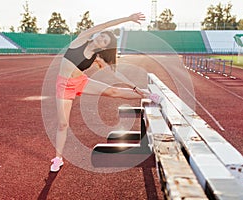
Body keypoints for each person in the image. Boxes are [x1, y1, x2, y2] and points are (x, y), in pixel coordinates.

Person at [51, 12, 161, 172]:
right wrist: (128, 18)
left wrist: (135, 87)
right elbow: (106, 25)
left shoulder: (96, 57)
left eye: (105, 42)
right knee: (62, 124)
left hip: (80, 81)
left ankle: (146, 94)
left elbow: (115, 73)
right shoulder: (82, 39)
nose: (101, 40)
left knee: (114, 92)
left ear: (104, 47)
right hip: (64, 85)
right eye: (102, 37)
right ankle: (58, 159)